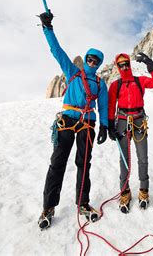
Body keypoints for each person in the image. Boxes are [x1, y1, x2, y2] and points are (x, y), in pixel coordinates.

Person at [37, 11, 109, 229]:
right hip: (67, 119)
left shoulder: (99, 82)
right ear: (86, 58)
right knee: (57, 163)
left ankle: (83, 203)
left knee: (83, 164)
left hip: (88, 122)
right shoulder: (73, 72)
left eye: (96, 60)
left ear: (99, 63)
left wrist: (104, 125)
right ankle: (48, 206)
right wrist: (47, 28)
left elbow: (103, 105)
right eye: (89, 58)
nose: (92, 61)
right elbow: (56, 51)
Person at [107, 53, 153, 213]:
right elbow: (111, 105)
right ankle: (125, 191)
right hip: (123, 121)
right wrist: (110, 125)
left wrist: (148, 62)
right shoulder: (115, 85)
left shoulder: (139, 80)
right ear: (118, 67)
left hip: (139, 120)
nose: (124, 67)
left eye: (126, 64)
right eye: (121, 65)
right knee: (124, 159)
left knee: (142, 157)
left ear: (129, 64)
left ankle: (144, 190)